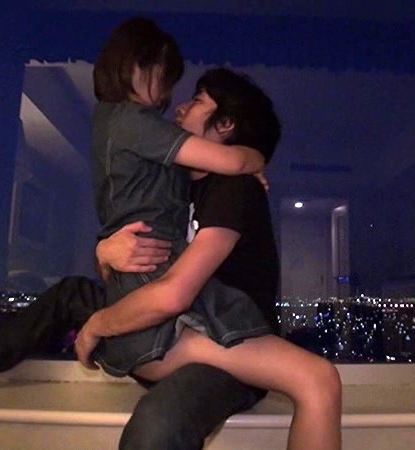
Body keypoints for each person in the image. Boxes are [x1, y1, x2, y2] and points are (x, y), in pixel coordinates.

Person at [79, 17, 342, 450]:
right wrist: (104, 252)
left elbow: (174, 293)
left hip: (230, 344)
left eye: (198, 101)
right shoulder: (174, 185)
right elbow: (138, 256)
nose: (178, 107)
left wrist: (98, 326)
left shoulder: (232, 190)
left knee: (160, 422)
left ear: (224, 126)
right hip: (171, 333)